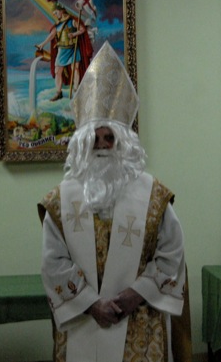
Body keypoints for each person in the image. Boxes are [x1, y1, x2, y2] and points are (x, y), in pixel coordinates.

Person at [38, 41, 190, 362]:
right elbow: (54, 262)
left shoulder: (154, 196)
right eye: (95, 140)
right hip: (83, 320)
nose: (103, 146)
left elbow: (172, 254)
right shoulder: (60, 200)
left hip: (140, 319)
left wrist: (136, 295)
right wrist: (92, 304)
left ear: (124, 144)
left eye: (110, 138)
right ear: (83, 145)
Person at [36, 0, 93, 101]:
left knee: (75, 69)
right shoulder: (57, 25)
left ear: (61, 10)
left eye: (56, 12)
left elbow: (82, 30)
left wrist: (74, 34)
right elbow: (52, 35)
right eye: (53, 13)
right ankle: (59, 93)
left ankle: (76, 90)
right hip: (62, 50)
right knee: (58, 71)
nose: (55, 15)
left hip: (73, 49)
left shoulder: (72, 21)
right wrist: (42, 44)